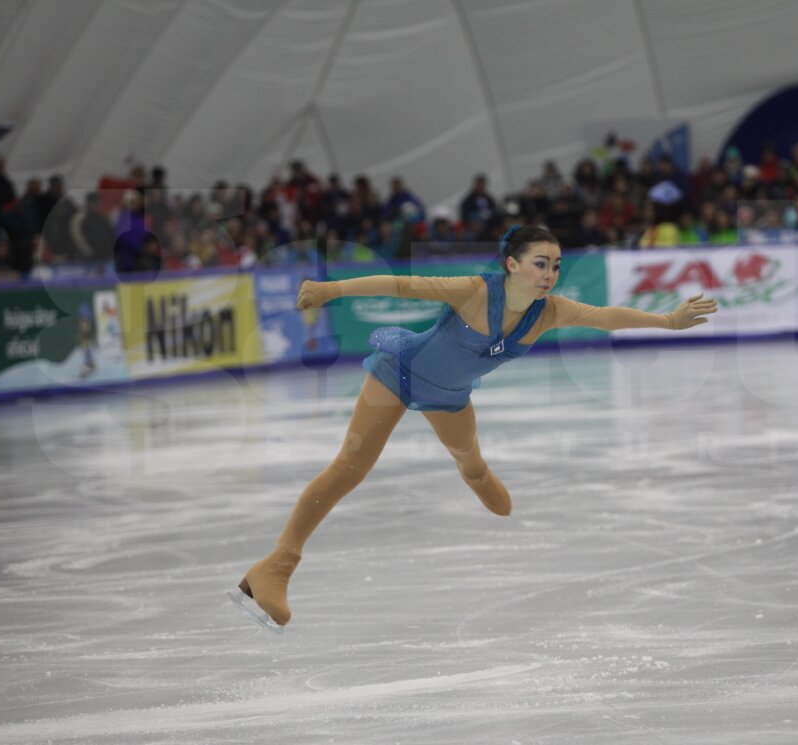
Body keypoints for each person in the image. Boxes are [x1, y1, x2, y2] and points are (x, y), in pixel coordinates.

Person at [229, 224, 718, 632]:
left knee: (472, 463)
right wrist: (330, 290)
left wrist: (669, 321)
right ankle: (277, 565)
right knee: (351, 466)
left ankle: (475, 476)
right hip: (397, 374)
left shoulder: (549, 312)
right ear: (512, 264)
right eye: (540, 263)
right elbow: (400, 286)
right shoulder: (475, 291)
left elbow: (606, 316)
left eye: (555, 265)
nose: (549, 274)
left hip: (450, 397)